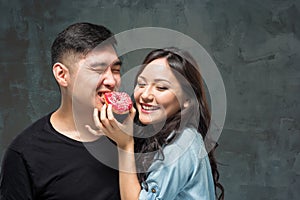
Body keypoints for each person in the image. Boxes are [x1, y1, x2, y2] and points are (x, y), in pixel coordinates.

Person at [0, 22, 123, 199]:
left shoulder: (131, 132)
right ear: (62, 75)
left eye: (116, 69)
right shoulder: (25, 154)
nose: (112, 80)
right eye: (98, 69)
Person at [91, 47, 225, 199]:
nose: (146, 95)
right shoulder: (160, 135)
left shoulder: (180, 146)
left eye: (161, 87)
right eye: (141, 84)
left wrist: (125, 145)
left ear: (187, 100)